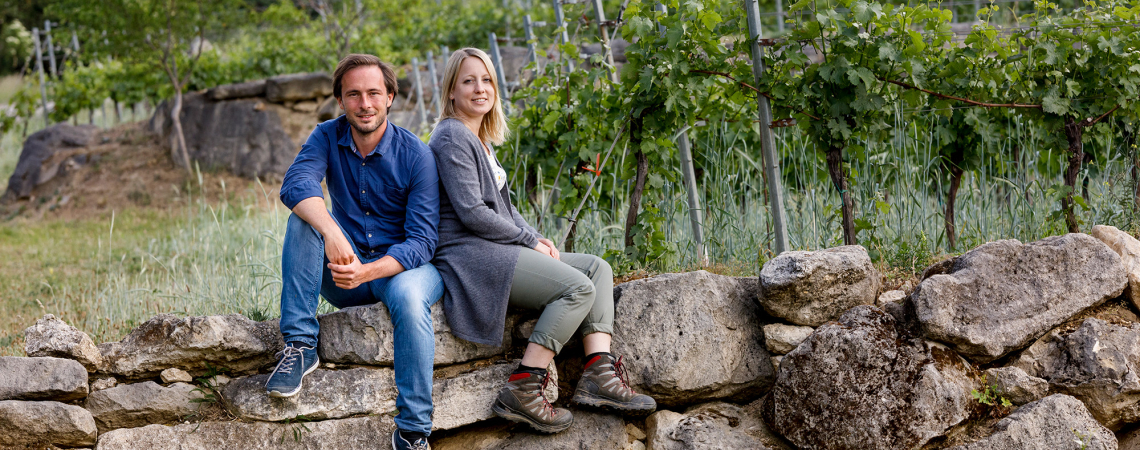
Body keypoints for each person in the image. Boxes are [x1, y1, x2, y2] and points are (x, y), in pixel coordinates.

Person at [429, 48, 656, 434]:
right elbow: (472, 212)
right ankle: (524, 385)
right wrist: (525, 240)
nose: (480, 88)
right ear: (451, 90)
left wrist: (535, 236)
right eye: (469, 81)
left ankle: (599, 374)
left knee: (597, 268)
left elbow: (503, 206)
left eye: (486, 80)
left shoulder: (479, 138)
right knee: (577, 288)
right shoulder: (451, 136)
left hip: (494, 246)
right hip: (471, 255)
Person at [268, 53, 441, 450]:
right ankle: (300, 345)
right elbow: (295, 186)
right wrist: (332, 231)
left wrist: (369, 272)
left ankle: (413, 431)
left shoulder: (417, 155)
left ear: (391, 97)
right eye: (354, 95)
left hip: (401, 270)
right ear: (341, 101)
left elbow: (422, 242)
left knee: (411, 299)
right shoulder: (326, 135)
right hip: (345, 270)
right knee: (303, 220)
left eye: (374, 93)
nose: (365, 104)